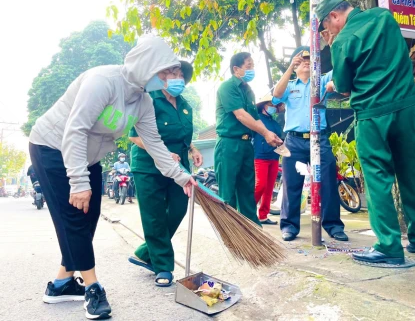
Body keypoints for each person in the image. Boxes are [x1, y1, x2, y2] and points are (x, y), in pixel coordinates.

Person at [28, 35, 196, 319]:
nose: (169, 78)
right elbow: (75, 130)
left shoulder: (142, 101)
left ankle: (60, 285)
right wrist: (79, 182)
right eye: (165, 71)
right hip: (53, 147)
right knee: (74, 219)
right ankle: (93, 289)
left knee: (88, 218)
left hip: (89, 156)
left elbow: (155, 144)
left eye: (171, 72)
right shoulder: (102, 81)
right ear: (147, 64)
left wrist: (182, 177)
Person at [317, 0, 415, 265]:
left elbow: (344, 86)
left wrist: (335, 53)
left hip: (372, 114)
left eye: (327, 26)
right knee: (412, 173)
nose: (329, 31)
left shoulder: (343, 40)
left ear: (334, 16)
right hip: (405, 108)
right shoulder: (384, 16)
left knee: (378, 179)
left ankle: (390, 247)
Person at [127, 61, 203, 287]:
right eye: (172, 73)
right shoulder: (147, 100)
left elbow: (183, 137)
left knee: (179, 207)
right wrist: (163, 154)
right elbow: (133, 136)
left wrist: (193, 149)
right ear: (161, 77)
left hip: (179, 167)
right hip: (148, 166)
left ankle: (145, 251)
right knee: (154, 215)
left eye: (180, 74)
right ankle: (163, 267)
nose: (177, 77)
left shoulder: (186, 105)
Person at [272, 46, 348, 242]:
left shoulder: (322, 81)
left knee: (329, 182)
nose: (307, 61)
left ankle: (333, 225)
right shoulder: (290, 85)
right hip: (294, 140)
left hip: (319, 139)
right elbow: (276, 95)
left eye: (310, 58)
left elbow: (340, 71)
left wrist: (334, 45)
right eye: (302, 59)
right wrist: (289, 68)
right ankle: (289, 226)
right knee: (291, 184)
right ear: (296, 64)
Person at [214, 52, 282, 225]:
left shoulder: (249, 91)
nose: (252, 69)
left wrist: (268, 134)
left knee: (247, 190)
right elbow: (241, 116)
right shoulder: (227, 87)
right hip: (229, 144)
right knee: (227, 193)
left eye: (252, 65)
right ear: (236, 69)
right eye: (249, 65)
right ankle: (229, 231)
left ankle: (252, 229)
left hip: (246, 144)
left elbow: (255, 118)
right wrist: (266, 133)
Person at [253, 94, 283, 225]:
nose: (272, 107)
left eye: (273, 105)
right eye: (270, 105)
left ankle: (263, 216)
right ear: (263, 106)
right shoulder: (257, 120)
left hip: (274, 156)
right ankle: (247, 211)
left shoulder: (274, 121)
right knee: (261, 185)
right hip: (260, 156)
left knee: (269, 188)